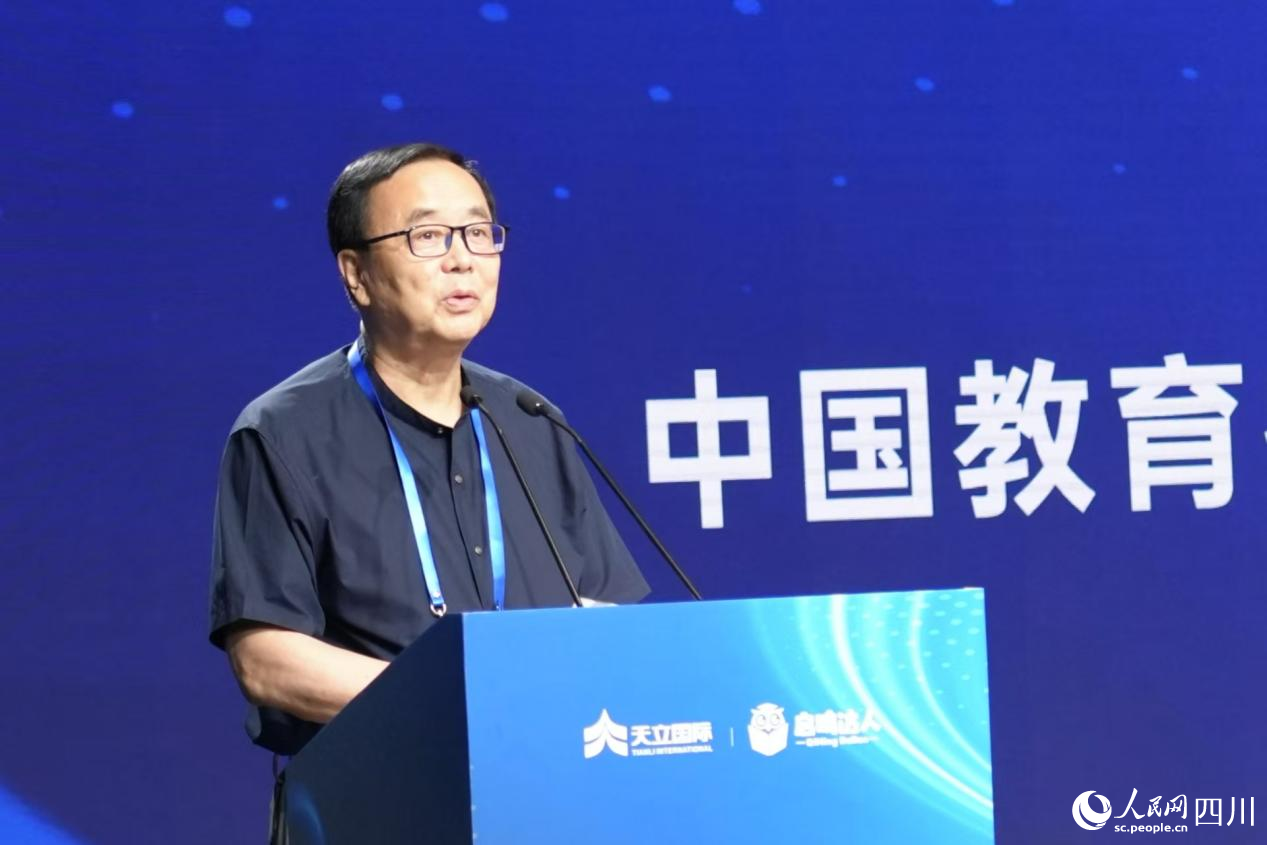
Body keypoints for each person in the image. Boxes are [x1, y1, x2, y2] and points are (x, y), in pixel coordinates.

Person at [208, 142, 650, 756]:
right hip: (384, 785)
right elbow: (267, 660)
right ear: (356, 274)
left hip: (548, 777)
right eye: (429, 237)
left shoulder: (531, 421)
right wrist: (462, 700)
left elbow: (611, 617)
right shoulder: (284, 433)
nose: (462, 260)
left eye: (478, 233)